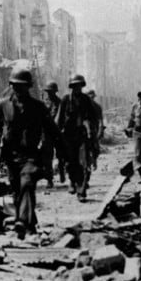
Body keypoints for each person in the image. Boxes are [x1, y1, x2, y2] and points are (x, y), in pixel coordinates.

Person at [0, 68, 58, 238]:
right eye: (15, 86)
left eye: (22, 86)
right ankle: (30, 226)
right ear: (11, 86)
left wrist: (62, 154)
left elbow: (53, 131)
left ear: (29, 87)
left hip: (31, 156)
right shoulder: (4, 105)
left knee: (27, 183)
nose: (19, 89)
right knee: (17, 191)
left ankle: (21, 220)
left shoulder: (38, 107)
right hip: (11, 156)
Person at [55, 73, 96, 201]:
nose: (77, 88)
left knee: (83, 163)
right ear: (71, 86)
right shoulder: (66, 100)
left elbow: (92, 117)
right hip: (68, 136)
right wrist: (57, 136)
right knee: (70, 163)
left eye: (79, 86)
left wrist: (91, 131)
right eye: (74, 86)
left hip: (82, 135)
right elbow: (59, 119)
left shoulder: (86, 100)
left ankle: (81, 191)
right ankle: (72, 181)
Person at [41, 81, 62, 187]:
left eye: (51, 91)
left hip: (58, 132)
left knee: (61, 154)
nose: (49, 93)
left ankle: (62, 171)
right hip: (47, 133)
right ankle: (49, 179)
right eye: (48, 92)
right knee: (47, 156)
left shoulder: (60, 103)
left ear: (55, 92)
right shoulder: (43, 103)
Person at [85, 88, 104, 171]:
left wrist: (100, 130)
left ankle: (94, 160)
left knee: (95, 149)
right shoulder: (83, 106)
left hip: (94, 130)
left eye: (92, 97)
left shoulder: (97, 107)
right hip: (84, 130)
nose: (91, 99)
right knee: (85, 149)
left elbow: (100, 120)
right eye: (89, 97)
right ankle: (87, 163)